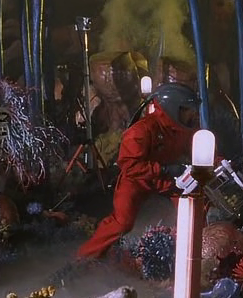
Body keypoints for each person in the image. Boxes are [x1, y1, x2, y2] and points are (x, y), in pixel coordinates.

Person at [77, 83, 201, 259]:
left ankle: (197, 250)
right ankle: (85, 257)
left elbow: (201, 149)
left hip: (162, 177)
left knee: (192, 202)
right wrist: (164, 168)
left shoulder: (184, 129)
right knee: (122, 222)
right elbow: (129, 166)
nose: (194, 115)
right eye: (189, 110)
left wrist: (218, 163)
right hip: (136, 179)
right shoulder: (141, 130)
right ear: (175, 108)